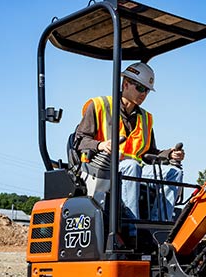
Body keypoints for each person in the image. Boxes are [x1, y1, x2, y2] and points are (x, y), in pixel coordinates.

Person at [74, 62, 184, 223]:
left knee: (174, 173)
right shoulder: (99, 106)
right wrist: (101, 145)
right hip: (101, 170)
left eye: (147, 90)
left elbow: (149, 153)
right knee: (131, 166)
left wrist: (169, 154)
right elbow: (79, 141)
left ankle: (160, 226)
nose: (144, 94)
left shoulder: (146, 118)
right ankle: (133, 226)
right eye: (140, 88)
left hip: (135, 171)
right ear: (125, 84)